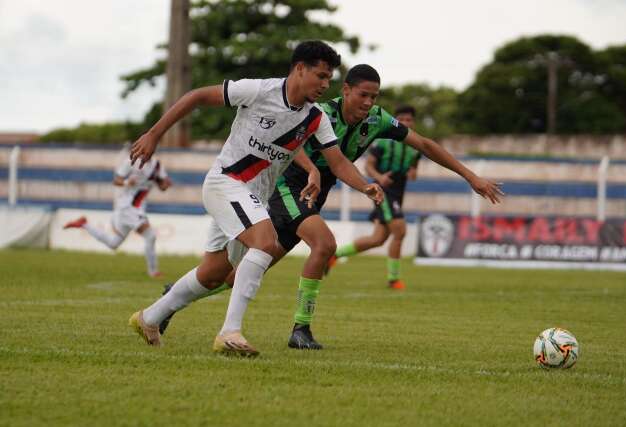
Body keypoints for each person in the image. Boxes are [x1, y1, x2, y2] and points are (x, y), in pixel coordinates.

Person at [160, 64, 504, 351]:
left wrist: (470, 176)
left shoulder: (378, 121)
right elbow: (289, 145)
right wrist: (311, 168)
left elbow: (426, 144)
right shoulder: (319, 113)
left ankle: (170, 301)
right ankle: (300, 330)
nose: (369, 103)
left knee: (236, 275)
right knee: (324, 245)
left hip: (312, 196)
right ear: (347, 90)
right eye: (363, 95)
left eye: (375, 97)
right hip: (286, 188)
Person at [127, 41, 383, 357]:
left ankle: (149, 317)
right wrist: (154, 135)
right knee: (266, 242)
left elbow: (339, 162)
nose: (324, 84)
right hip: (225, 183)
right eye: (320, 75)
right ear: (299, 69)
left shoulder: (316, 117)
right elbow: (195, 97)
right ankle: (229, 332)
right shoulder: (258, 91)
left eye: (328, 79)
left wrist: (365, 186)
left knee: (213, 274)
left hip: (253, 198)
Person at [330, 105, 421, 290]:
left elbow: (413, 170)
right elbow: (369, 166)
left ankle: (334, 255)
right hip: (383, 191)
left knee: (377, 239)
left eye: (409, 120)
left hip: (398, 192)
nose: (406, 123)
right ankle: (393, 279)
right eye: (402, 119)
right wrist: (379, 177)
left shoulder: (414, 146)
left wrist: (412, 172)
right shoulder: (383, 143)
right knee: (400, 231)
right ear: (396, 121)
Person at [63, 152, 171, 277]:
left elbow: (163, 185)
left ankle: (85, 224)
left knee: (113, 243)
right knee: (150, 235)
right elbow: (116, 181)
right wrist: (127, 183)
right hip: (128, 206)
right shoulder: (131, 162)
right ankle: (154, 272)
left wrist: (165, 184)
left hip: (137, 207)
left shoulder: (157, 165)